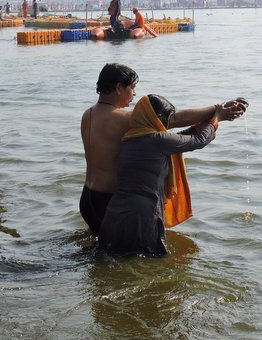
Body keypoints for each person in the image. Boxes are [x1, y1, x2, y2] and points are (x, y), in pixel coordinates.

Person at [80, 62, 247, 235]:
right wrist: (217, 110)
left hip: (88, 198)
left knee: (101, 248)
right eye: (132, 88)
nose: (135, 94)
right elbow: (175, 119)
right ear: (119, 88)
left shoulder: (88, 114)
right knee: (116, 256)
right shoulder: (122, 118)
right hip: (108, 200)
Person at [99, 93, 243, 255]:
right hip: (143, 217)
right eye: (167, 119)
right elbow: (198, 140)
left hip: (114, 215)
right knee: (149, 267)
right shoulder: (159, 140)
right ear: (156, 118)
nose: (168, 123)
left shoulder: (129, 139)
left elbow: (182, 137)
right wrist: (216, 118)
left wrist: (214, 118)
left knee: (112, 259)